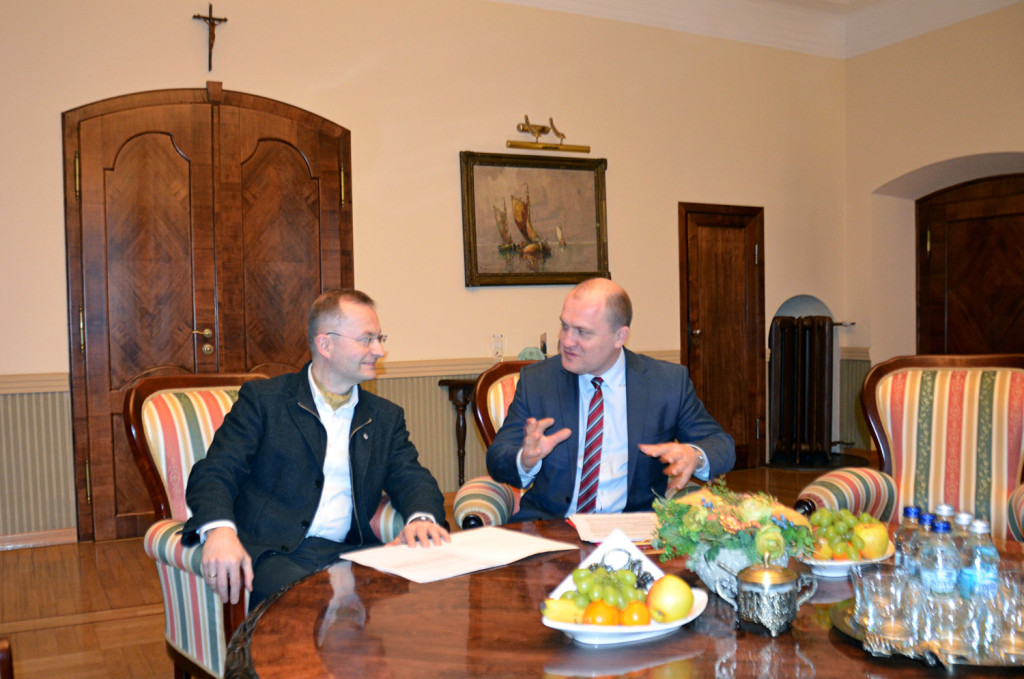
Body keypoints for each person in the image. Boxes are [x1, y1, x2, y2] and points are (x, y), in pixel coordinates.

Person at [182, 289, 449, 611]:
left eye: (379, 338)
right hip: (273, 553)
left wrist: (421, 518)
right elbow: (215, 471)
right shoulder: (265, 402)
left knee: (421, 601)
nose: (379, 350)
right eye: (366, 339)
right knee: (307, 606)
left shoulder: (383, 416)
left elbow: (412, 477)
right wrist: (219, 530)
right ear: (325, 345)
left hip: (348, 551)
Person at [486, 278, 735, 521]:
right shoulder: (538, 381)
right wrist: (525, 460)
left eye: (582, 332)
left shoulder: (666, 383)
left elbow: (721, 445)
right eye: (565, 326)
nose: (566, 341)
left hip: (633, 531)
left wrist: (694, 455)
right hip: (551, 528)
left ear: (620, 336)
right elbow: (498, 457)